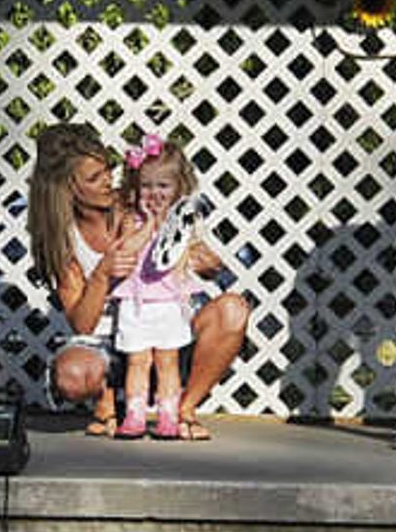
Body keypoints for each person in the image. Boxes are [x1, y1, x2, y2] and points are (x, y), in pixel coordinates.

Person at [33, 123, 250, 436]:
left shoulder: (140, 200)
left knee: (234, 309)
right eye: (94, 178)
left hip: (167, 330)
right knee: (73, 375)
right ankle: (108, 400)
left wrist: (207, 264)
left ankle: (182, 410)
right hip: (112, 344)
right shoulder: (63, 239)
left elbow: (186, 240)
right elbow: (82, 325)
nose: (108, 181)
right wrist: (103, 274)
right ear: (66, 187)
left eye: (108, 170)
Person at [105, 135, 228, 440]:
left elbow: (197, 252)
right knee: (138, 360)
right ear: (135, 189)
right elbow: (127, 249)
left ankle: (168, 415)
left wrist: (205, 258)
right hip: (136, 304)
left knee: (167, 360)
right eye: (147, 186)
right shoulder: (132, 220)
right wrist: (149, 225)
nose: (154, 194)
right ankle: (134, 415)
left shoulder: (182, 223)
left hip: (170, 303)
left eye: (163, 186)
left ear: (178, 190)